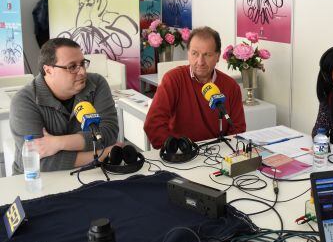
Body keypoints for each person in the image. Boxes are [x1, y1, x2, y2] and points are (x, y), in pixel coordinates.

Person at [10, 38, 119, 174]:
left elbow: (109, 133)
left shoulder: (96, 84)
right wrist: (103, 154)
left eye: (83, 63)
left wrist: (58, 143)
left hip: (91, 174)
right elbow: (37, 160)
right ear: (48, 70)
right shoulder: (24, 101)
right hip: (38, 181)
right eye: (72, 67)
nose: (82, 72)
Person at [144, 26, 246, 149]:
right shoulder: (173, 79)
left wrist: (224, 152)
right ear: (188, 54)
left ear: (217, 56)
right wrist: (174, 151)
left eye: (207, 54)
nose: (200, 61)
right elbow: (153, 124)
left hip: (218, 154)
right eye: (195, 54)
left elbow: (237, 128)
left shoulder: (231, 86)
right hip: (182, 155)